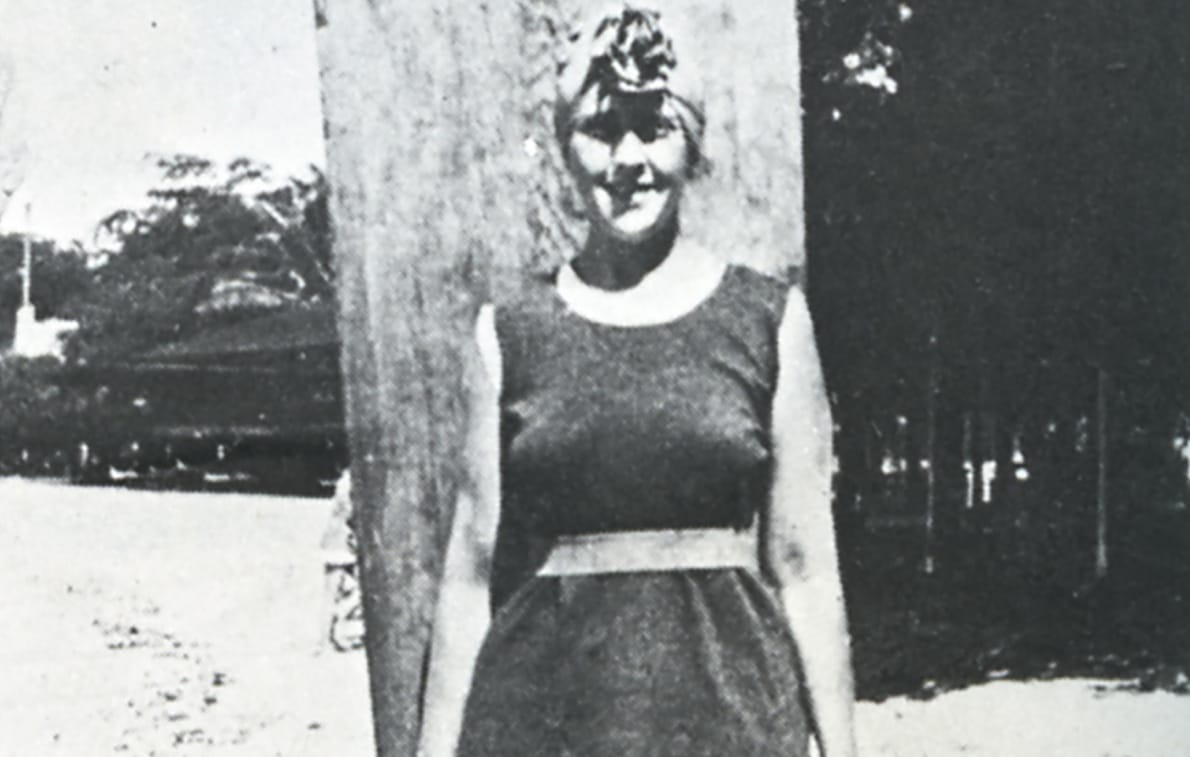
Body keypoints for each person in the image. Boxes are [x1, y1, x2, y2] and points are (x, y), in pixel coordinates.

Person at [419, 6, 857, 756]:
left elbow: (806, 569)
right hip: (543, 723)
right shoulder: (509, 333)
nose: (629, 159)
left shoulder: (770, 321)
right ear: (565, 146)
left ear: (692, 144)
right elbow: (468, 576)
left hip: (733, 720)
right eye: (601, 130)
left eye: (654, 128)